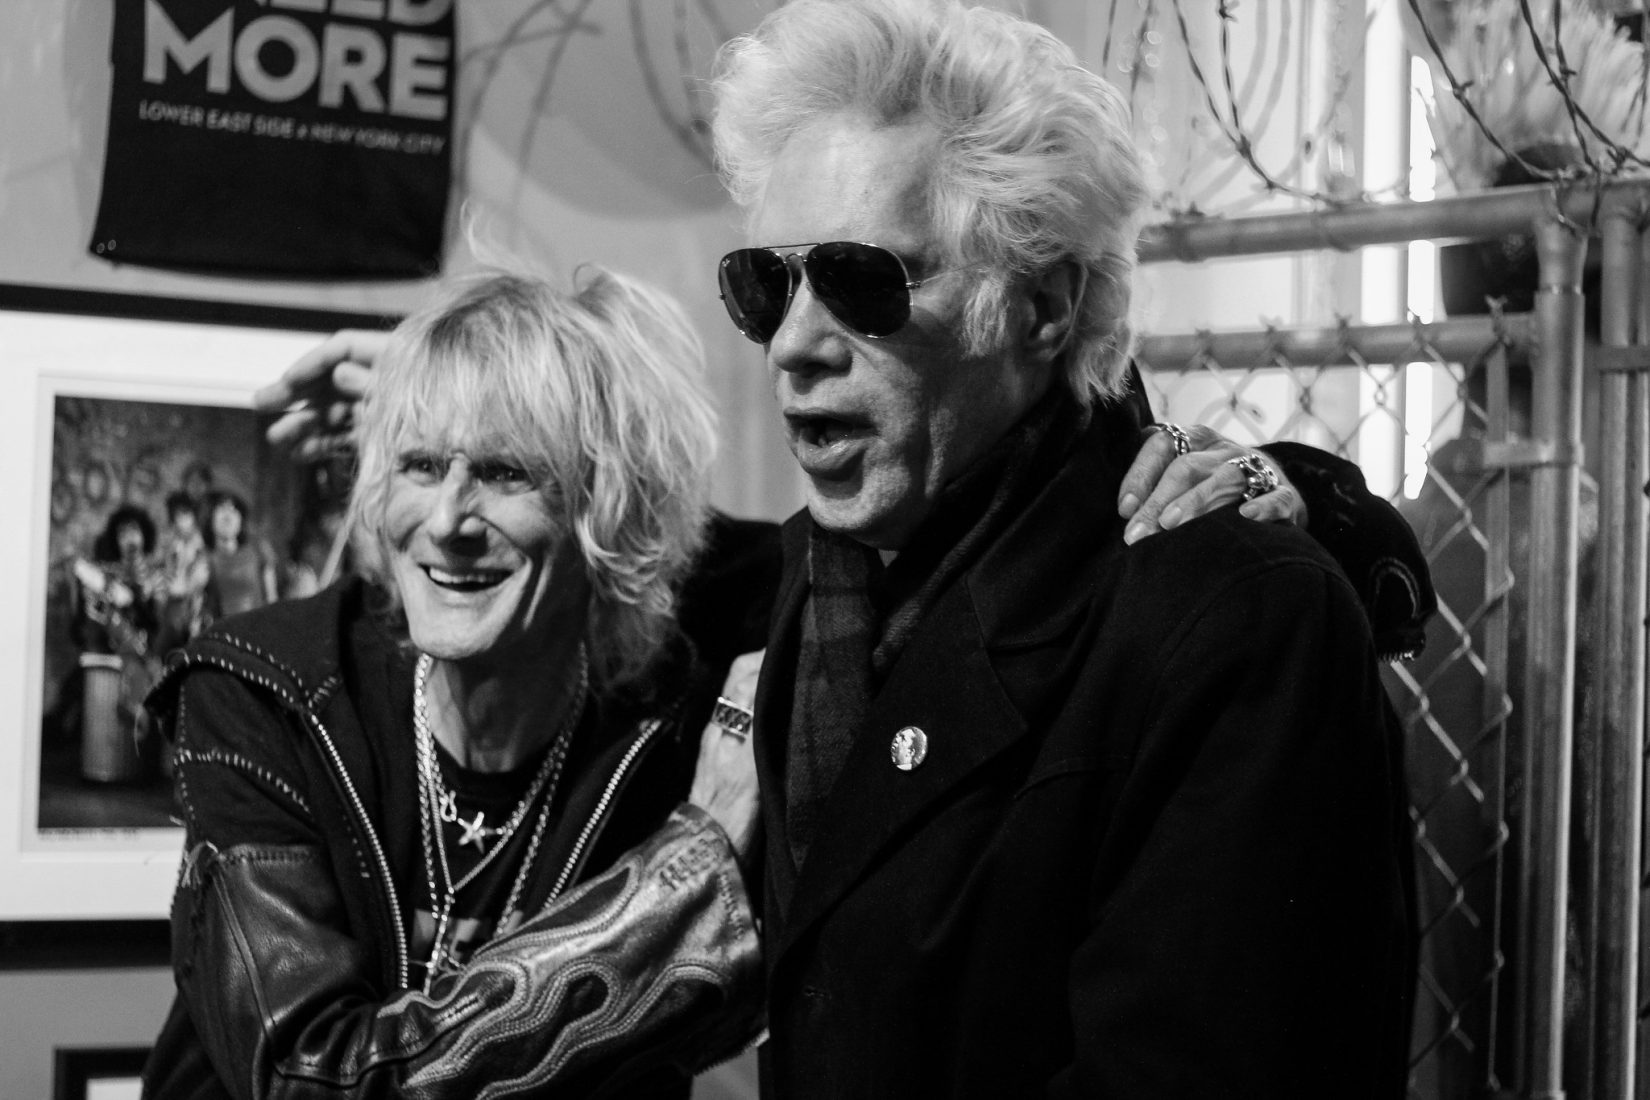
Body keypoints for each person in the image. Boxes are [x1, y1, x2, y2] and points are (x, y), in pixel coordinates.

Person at [701, 1, 1414, 1095]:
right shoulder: (823, 578)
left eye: (860, 280)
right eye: (768, 284)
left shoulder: (1236, 623)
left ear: (1040, 306)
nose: (793, 343)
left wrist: (1313, 498)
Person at [141, 268, 772, 1098]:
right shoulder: (263, 693)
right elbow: (314, 1079)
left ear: (608, 505)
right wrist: (686, 880)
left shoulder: (656, 712)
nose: (445, 522)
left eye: (506, 472)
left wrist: (524, 389)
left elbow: (825, 559)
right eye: (419, 464)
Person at [200, 490, 279, 620]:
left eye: (234, 510)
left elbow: (272, 599)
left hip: (258, 626)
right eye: (221, 508)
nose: (228, 516)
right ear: (211, 516)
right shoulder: (205, 559)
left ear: (241, 519)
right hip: (222, 628)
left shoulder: (258, 550)